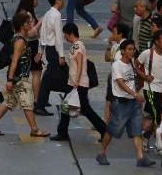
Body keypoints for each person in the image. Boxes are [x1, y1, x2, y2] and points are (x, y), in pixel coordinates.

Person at [0, 11, 47, 138]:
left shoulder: (21, 37)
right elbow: (14, 60)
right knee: (28, 103)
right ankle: (34, 129)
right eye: (28, 22)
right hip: (19, 78)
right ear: (22, 25)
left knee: (8, 101)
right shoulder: (20, 40)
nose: (31, 24)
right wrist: (10, 79)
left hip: (17, 77)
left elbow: (34, 33)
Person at [96, 39, 155, 167]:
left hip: (133, 103)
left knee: (136, 131)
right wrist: (135, 94)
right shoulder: (117, 65)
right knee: (112, 130)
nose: (132, 51)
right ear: (122, 51)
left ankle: (140, 158)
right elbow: (121, 83)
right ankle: (102, 153)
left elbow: (134, 77)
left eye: (133, 49)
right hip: (120, 104)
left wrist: (144, 79)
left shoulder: (131, 64)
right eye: (129, 49)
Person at [53, 23, 107, 141]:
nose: (65, 37)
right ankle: (63, 132)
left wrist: (76, 82)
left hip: (78, 84)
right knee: (68, 109)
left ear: (70, 33)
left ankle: (103, 129)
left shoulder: (77, 46)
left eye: (65, 35)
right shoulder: (77, 45)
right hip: (75, 83)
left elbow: (80, 64)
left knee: (83, 109)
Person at [33, 0, 66, 116]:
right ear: (57, 1)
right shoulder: (56, 15)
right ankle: (41, 104)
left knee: (48, 77)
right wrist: (61, 55)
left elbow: (43, 34)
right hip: (54, 51)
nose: (63, 1)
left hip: (49, 49)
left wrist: (40, 51)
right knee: (55, 77)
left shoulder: (47, 14)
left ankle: (41, 103)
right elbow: (58, 38)